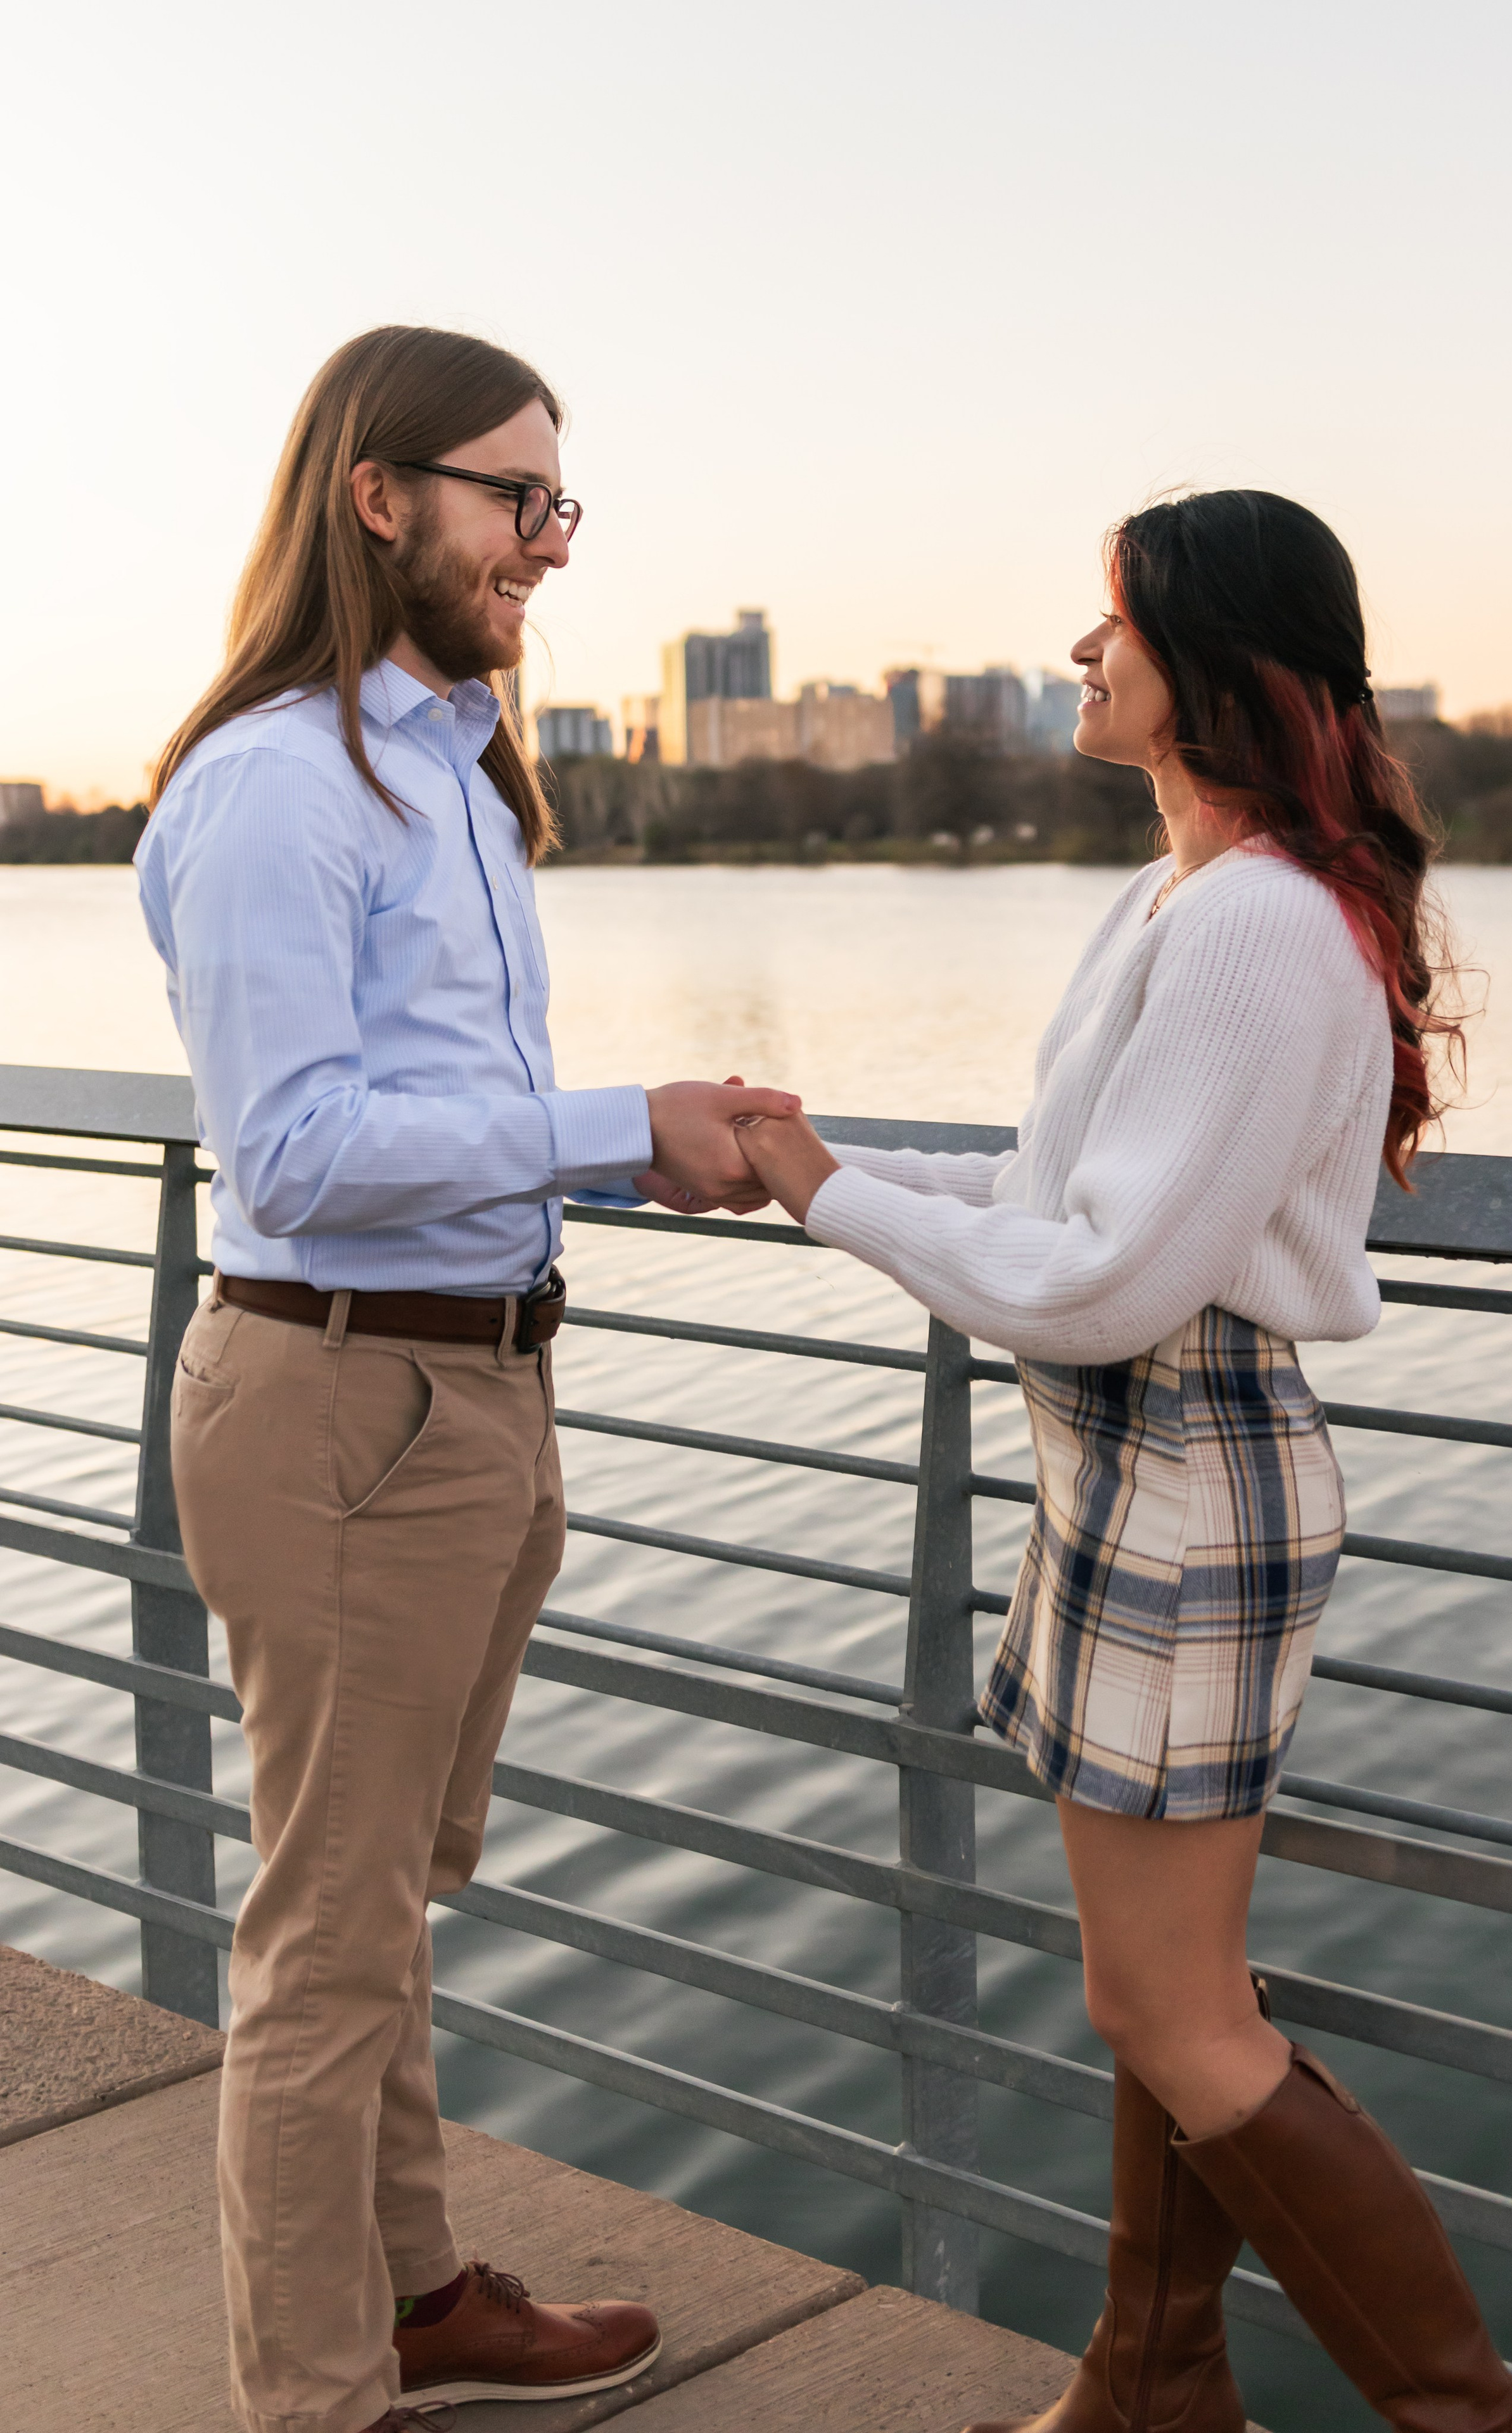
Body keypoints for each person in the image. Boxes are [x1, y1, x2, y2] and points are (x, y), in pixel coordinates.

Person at [733, 492, 1512, 2433]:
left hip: (1182, 1472)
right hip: (1125, 1477)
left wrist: (835, 1192)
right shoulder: (1182, 894)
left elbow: (1103, 1278)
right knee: (1168, 1995)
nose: (1081, 650)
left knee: (1173, 2014)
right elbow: (1052, 1197)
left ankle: (1471, 2421)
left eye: (1115, 621)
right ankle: (1152, 2386)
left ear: (1214, 665)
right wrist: (815, 1167)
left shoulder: (1263, 920)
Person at [136, 324, 796, 2433]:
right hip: (343, 1407)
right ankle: (313, 2395)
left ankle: (416, 2299)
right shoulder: (273, 784)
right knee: (322, 1956)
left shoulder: (452, 762)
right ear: (377, 496)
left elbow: (442, 1108)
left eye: (558, 503)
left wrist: (623, 1153)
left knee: (389, 1897)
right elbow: (304, 1150)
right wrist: (616, 1117)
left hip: (471, 1395)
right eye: (519, 499)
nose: (550, 544)